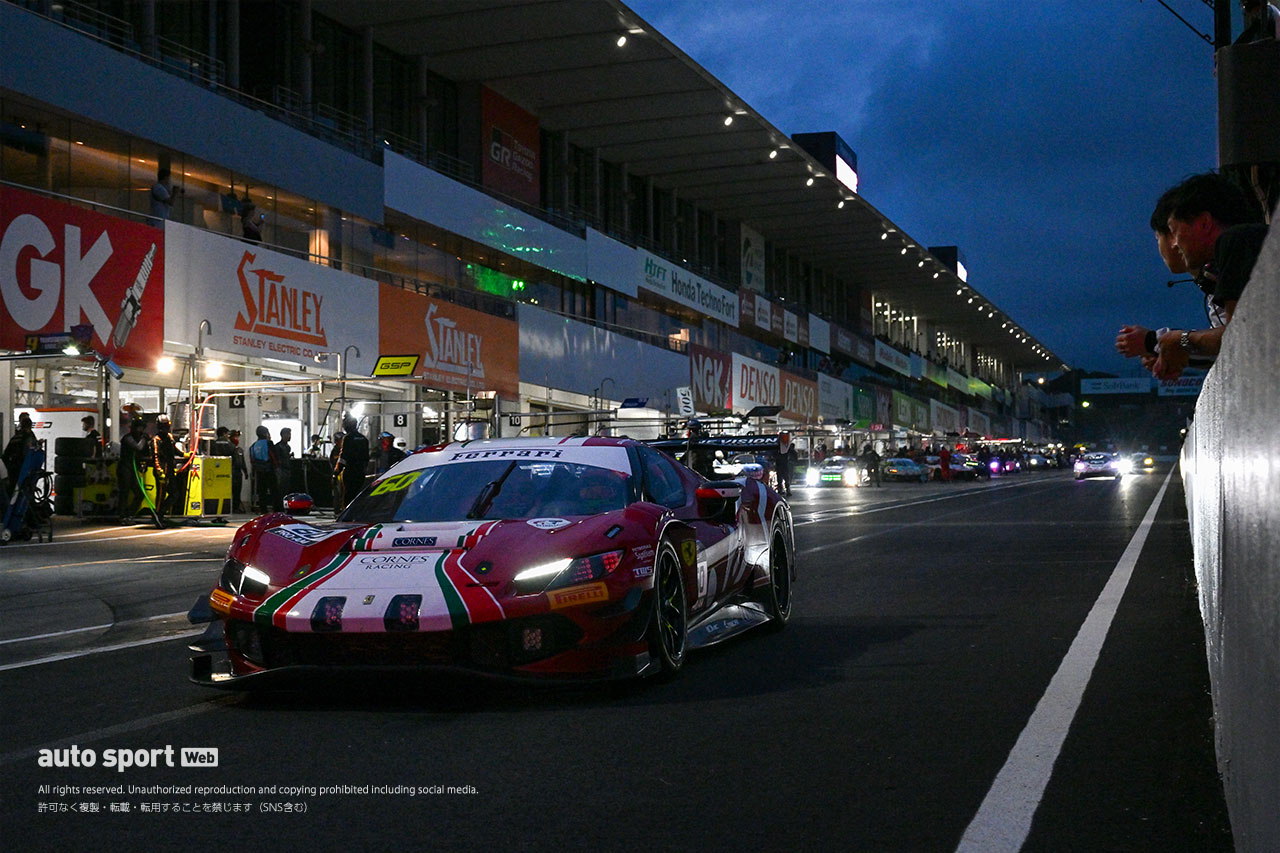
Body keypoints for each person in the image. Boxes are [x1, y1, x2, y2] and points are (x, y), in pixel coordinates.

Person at [1116, 173, 1264, 380]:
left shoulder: (1238, 241)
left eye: (1173, 231)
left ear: (1204, 223)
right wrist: (1170, 348)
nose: (1175, 245)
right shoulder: (1230, 259)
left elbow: (1239, 338)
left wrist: (1176, 341)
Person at [117, 418, 151, 523]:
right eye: (139, 428)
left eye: (142, 428)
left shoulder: (139, 438)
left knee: (139, 494)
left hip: (133, 469)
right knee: (124, 493)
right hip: (125, 469)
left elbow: (145, 452)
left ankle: (130, 514)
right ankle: (122, 516)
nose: (141, 431)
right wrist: (144, 439)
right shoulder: (127, 438)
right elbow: (138, 448)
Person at [336, 416, 370, 510]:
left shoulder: (348, 438)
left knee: (348, 494)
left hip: (350, 471)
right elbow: (367, 457)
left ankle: (346, 513)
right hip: (361, 472)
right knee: (358, 493)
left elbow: (343, 457)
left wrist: (337, 471)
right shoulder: (364, 439)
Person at [152, 417, 179, 517]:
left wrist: (184, 454)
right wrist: (159, 470)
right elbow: (155, 456)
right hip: (161, 470)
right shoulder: (156, 440)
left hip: (170, 469)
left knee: (174, 494)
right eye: (163, 426)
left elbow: (174, 449)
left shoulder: (169, 437)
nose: (164, 428)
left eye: (166, 425)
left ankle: (162, 511)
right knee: (161, 495)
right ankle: (158, 516)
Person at [249, 425, 280, 513]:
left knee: (262, 492)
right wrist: (276, 467)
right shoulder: (268, 443)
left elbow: (252, 459)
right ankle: (277, 509)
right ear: (266, 433)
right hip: (269, 470)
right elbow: (273, 456)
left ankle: (263, 510)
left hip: (259, 471)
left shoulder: (253, 445)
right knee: (274, 490)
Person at [228, 429, 247, 513]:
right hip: (231, 472)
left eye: (237, 437)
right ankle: (229, 508)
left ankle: (236, 507)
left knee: (237, 491)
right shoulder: (228, 448)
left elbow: (242, 462)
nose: (236, 439)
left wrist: (245, 471)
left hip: (238, 473)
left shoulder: (240, 450)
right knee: (230, 491)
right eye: (235, 437)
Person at [775, 432, 797, 496]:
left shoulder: (778, 445)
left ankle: (781, 489)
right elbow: (793, 453)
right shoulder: (786, 446)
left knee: (780, 477)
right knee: (785, 477)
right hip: (784, 463)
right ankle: (786, 490)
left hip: (780, 463)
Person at [274, 427, 294, 494]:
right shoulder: (278, 446)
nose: (290, 436)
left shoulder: (288, 447)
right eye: (288, 434)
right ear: (283, 435)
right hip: (281, 471)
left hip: (287, 471)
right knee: (280, 490)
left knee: (286, 490)